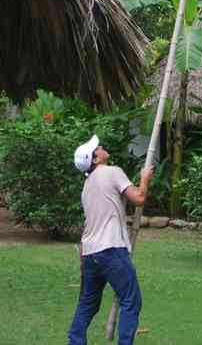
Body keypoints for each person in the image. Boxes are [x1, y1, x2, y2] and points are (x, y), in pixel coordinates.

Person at [67, 133, 153, 345]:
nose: (102, 146)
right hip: (110, 249)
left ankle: (74, 341)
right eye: (98, 148)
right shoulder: (112, 172)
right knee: (131, 300)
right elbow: (139, 199)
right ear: (96, 159)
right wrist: (144, 179)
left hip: (89, 252)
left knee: (88, 303)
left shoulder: (87, 186)